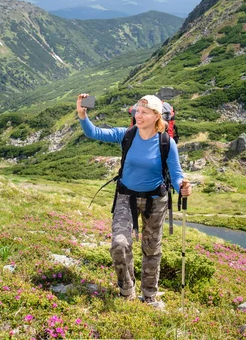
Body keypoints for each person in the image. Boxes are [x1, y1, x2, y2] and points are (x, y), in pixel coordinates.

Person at [76, 93, 192, 305]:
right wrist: (83, 115)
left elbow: (176, 175)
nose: (138, 116)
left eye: (144, 113)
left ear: (156, 116)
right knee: (119, 244)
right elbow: (94, 133)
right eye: (137, 111)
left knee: (151, 249)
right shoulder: (127, 134)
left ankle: (149, 295)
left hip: (156, 201)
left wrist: (182, 186)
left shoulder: (167, 142)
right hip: (125, 196)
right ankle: (127, 290)